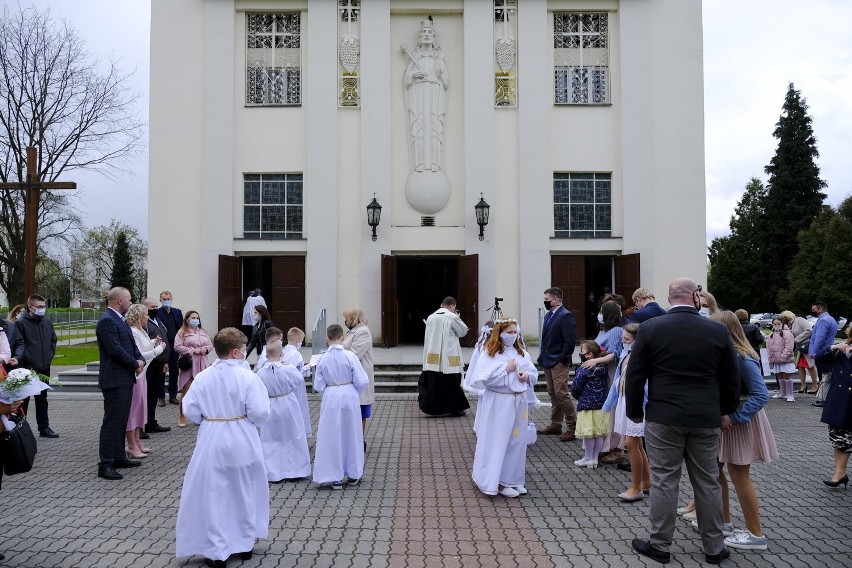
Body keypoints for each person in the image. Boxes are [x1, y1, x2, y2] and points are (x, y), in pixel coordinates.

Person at [625, 278, 740, 565]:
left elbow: (636, 373)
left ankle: (660, 545)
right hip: (705, 416)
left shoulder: (651, 328)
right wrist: (725, 409)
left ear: (669, 297)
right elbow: (730, 376)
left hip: (664, 416)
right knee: (708, 481)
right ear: (695, 296)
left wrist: (634, 410)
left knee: (665, 481)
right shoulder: (716, 330)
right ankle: (714, 548)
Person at [175, 327, 270, 568]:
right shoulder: (248, 377)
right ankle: (244, 544)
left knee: (213, 493)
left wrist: (208, 418)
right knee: (244, 489)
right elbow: (260, 413)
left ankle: (216, 550)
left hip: (212, 436)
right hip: (241, 435)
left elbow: (189, 409)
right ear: (237, 352)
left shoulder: (204, 376)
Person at [709, 311, 777, 552]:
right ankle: (724, 522)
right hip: (726, 421)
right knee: (716, 470)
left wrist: (734, 417)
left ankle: (755, 534)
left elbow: (761, 395)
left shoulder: (742, 357)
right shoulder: (726, 354)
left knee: (739, 475)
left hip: (739, 423)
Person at [468, 318, 537, 498]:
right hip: (499, 402)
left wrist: (526, 376)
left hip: (518, 402)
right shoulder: (489, 352)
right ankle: (495, 481)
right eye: (509, 332)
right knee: (498, 441)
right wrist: (506, 369)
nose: (513, 336)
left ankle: (513, 479)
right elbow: (484, 378)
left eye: (515, 332)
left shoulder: (520, 351)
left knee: (517, 442)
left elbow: (533, 373)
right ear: (499, 333)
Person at [96, 287, 146, 481]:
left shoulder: (120, 318)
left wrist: (139, 359)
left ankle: (118, 457)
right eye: (129, 300)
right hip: (114, 380)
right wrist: (134, 364)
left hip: (125, 378)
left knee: (121, 420)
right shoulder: (107, 320)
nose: (131, 303)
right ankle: (106, 464)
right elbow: (115, 349)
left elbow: (131, 346)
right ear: (119, 301)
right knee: (112, 422)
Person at [312, 324, 369, 489]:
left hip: (330, 396)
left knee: (331, 435)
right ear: (342, 337)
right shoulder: (350, 356)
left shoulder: (322, 358)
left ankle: (334, 477)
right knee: (351, 433)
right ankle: (353, 474)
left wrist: (329, 392)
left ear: (326, 338)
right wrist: (353, 392)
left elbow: (318, 384)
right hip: (349, 394)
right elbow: (362, 380)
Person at [603, 323, 651, 501]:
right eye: (623, 338)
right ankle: (646, 482)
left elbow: (645, 385)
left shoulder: (643, 356)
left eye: (627, 339)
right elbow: (618, 379)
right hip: (626, 400)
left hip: (637, 403)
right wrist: (610, 403)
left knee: (631, 443)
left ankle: (635, 487)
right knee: (636, 444)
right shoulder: (626, 353)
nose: (623, 341)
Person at [256, 340, 311, 483]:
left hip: (271, 405)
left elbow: (258, 389)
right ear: (282, 353)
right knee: (293, 435)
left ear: (266, 354)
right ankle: (296, 470)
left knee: (272, 438)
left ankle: (274, 472)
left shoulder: (260, 372)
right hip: (288, 403)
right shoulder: (288, 368)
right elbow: (299, 380)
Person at [403, 17, 449, 173]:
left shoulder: (438, 59)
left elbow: (447, 82)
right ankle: (419, 163)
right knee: (419, 128)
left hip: (435, 97)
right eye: (424, 32)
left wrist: (441, 72)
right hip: (419, 96)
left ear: (434, 37)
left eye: (430, 32)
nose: (427, 35)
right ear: (420, 37)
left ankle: (435, 162)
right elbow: (407, 80)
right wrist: (415, 75)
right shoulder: (416, 58)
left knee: (435, 129)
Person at [583, 300, 624, 462]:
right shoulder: (603, 330)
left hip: (611, 373)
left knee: (613, 410)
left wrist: (596, 361)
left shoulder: (615, 331)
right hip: (602, 374)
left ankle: (616, 448)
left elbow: (615, 354)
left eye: (601, 311)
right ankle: (604, 446)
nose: (598, 314)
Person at [536, 287, 578, 441]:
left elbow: (570, 341)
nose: (545, 302)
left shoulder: (566, 316)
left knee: (562, 394)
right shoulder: (548, 315)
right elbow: (546, 338)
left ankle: (573, 427)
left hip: (558, 362)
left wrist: (561, 358)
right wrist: (542, 356)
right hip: (547, 360)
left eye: (547, 299)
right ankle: (555, 424)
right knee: (553, 394)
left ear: (555, 299)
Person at [124, 304, 165, 458]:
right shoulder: (133, 332)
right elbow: (139, 354)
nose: (148, 317)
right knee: (133, 412)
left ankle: (137, 441)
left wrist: (154, 341)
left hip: (143, 376)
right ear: (138, 316)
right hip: (137, 376)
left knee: (140, 410)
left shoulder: (142, 330)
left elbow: (144, 346)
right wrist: (158, 350)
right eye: (146, 314)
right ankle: (131, 445)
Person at [419, 296, 470, 417]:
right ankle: (455, 409)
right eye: (455, 308)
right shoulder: (452, 317)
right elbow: (463, 331)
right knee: (451, 383)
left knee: (435, 382)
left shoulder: (431, 317)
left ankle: (434, 409)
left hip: (433, 357)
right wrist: (458, 318)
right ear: (452, 306)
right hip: (449, 356)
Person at [17, 294, 58, 438]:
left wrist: (48, 356)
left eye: (44, 306)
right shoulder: (21, 322)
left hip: (44, 366)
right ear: (30, 307)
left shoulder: (47, 322)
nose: (42, 309)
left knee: (42, 398)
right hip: (27, 367)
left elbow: (53, 340)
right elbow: (20, 344)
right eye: (39, 307)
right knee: (24, 400)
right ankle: (22, 429)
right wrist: (27, 359)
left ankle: (44, 428)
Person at [815, 327, 852, 490]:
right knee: (840, 439)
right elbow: (818, 359)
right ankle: (839, 474)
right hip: (839, 402)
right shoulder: (841, 350)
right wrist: (832, 347)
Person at [572, 340, 611, 469]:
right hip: (602, 405)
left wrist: (577, 396)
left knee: (588, 433)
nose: (580, 353)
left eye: (582, 351)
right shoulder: (603, 368)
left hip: (587, 405)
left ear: (589, 355)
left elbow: (576, 386)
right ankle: (594, 458)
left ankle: (588, 457)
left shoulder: (584, 368)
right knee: (598, 433)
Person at [174, 311, 213, 428]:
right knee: (186, 391)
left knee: (201, 391)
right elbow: (177, 347)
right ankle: (182, 415)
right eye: (193, 318)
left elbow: (210, 345)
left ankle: (199, 415)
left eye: (197, 318)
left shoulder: (203, 331)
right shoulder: (182, 332)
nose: (196, 320)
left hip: (203, 362)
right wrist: (192, 350)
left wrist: (205, 349)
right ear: (187, 319)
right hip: (189, 363)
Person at [343, 308, 375, 440]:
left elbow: (355, 353)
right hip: (350, 376)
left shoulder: (363, 332)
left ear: (353, 318)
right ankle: (351, 440)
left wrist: (338, 346)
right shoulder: (353, 331)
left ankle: (359, 441)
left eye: (346, 318)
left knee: (360, 411)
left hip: (359, 375)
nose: (345, 321)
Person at [142, 298, 171, 433]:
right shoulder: (143, 324)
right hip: (149, 365)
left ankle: (151, 422)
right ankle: (142, 424)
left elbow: (164, 337)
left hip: (160, 364)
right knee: (146, 395)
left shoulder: (158, 321)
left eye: (156, 306)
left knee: (153, 395)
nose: (155, 309)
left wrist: (165, 361)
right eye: (152, 307)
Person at [779, 310, 819, 394]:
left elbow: (808, 330)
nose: (782, 320)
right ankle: (803, 385)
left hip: (806, 346)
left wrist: (795, 340)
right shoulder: (789, 325)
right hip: (799, 348)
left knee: (810, 366)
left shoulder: (800, 320)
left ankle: (815, 385)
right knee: (800, 366)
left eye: (783, 318)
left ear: (787, 317)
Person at [809, 301, 838, 408]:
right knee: (827, 375)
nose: (813, 311)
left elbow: (819, 338)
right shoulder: (831, 319)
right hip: (828, 350)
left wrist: (813, 352)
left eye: (814, 310)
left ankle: (825, 399)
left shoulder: (823, 320)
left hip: (822, 352)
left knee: (824, 376)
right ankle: (827, 398)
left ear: (820, 309)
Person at [157, 291, 183, 405]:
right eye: (164, 299)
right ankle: (161, 397)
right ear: (160, 300)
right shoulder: (157, 313)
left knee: (174, 371)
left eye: (168, 298)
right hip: (162, 346)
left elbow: (181, 328)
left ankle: (173, 396)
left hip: (174, 346)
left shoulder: (177, 312)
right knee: (161, 371)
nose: (166, 301)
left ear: (172, 299)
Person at [766, 317, 796, 402]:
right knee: (779, 376)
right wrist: (769, 357)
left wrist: (784, 356)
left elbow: (789, 346)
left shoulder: (787, 333)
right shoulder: (771, 334)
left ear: (782, 324)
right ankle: (783, 393)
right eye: (775, 324)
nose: (777, 326)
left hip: (785, 359)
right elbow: (768, 347)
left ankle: (790, 395)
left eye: (778, 324)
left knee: (786, 375)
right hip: (776, 359)